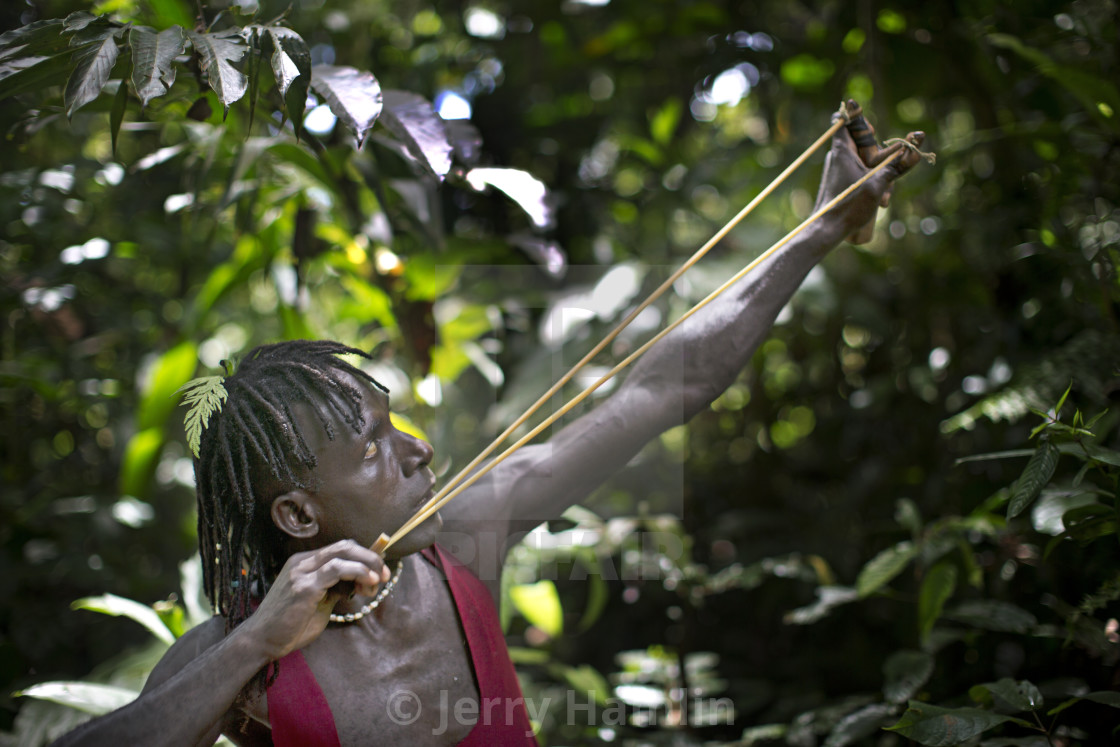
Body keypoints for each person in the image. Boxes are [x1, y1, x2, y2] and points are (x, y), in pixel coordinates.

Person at [53, 104, 925, 746]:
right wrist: (255, 641)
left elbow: (657, 391)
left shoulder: (467, 538)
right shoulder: (247, 653)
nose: (418, 448)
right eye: (373, 451)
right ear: (298, 515)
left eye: (397, 426)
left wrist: (818, 231)